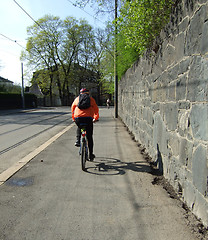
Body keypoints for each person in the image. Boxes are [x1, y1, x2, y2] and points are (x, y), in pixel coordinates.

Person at [71, 88, 99, 161]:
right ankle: (91, 154)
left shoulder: (77, 99)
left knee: (80, 127)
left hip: (78, 118)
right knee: (89, 137)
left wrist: (74, 118)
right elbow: (96, 109)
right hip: (88, 118)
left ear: (80, 93)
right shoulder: (91, 99)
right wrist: (95, 118)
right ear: (88, 93)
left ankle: (78, 140)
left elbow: (73, 108)